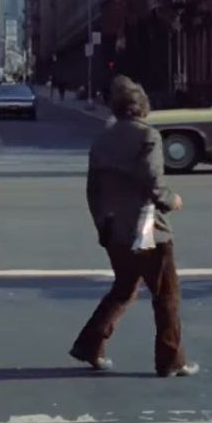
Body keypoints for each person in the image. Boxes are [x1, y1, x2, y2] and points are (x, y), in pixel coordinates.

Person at [69, 75, 198, 378]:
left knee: (124, 287)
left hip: (114, 226)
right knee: (166, 295)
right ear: (143, 107)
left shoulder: (102, 139)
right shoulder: (148, 136)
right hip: (146, 227)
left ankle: (89, 345)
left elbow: (93, 189)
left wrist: (103, 224)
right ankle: (171, 360)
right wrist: (171, 200)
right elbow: (153, 180)